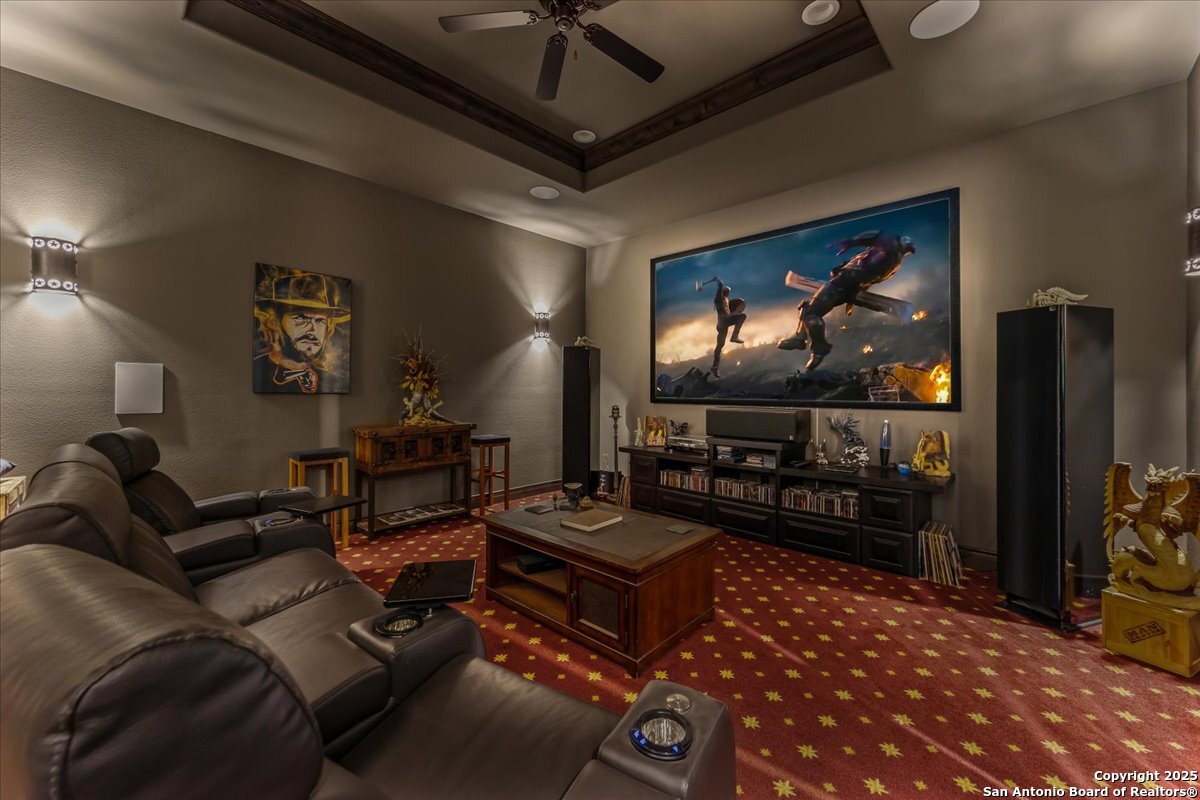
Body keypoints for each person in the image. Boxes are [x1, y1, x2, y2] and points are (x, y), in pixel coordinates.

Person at [778, 232, 915, 371]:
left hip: (841, 285)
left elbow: (876, 240)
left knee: (811, 312)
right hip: (847, 285)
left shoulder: (890, 249)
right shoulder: (891, 261)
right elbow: (867, 270)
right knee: (807, 308)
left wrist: (850, 243)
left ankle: (818, 349)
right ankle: (801, 338)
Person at [253, 271, 351, 393]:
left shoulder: (334, 384)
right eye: (301, 319)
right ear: (275, 324)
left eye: (320, 321)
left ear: (328, 329)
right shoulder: (256, 372)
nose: (313, 330)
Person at [709, 276, 746, 378]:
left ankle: (715, 366)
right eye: (728, 292)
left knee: (720, 346)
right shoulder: (719, 299)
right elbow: (720, 285)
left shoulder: (726, 300)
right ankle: (734, 336)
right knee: (742, 317)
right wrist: (718, 279)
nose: (729, 293)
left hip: (722, 324)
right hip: (724, 321)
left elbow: (732, 309)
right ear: (725, 292)